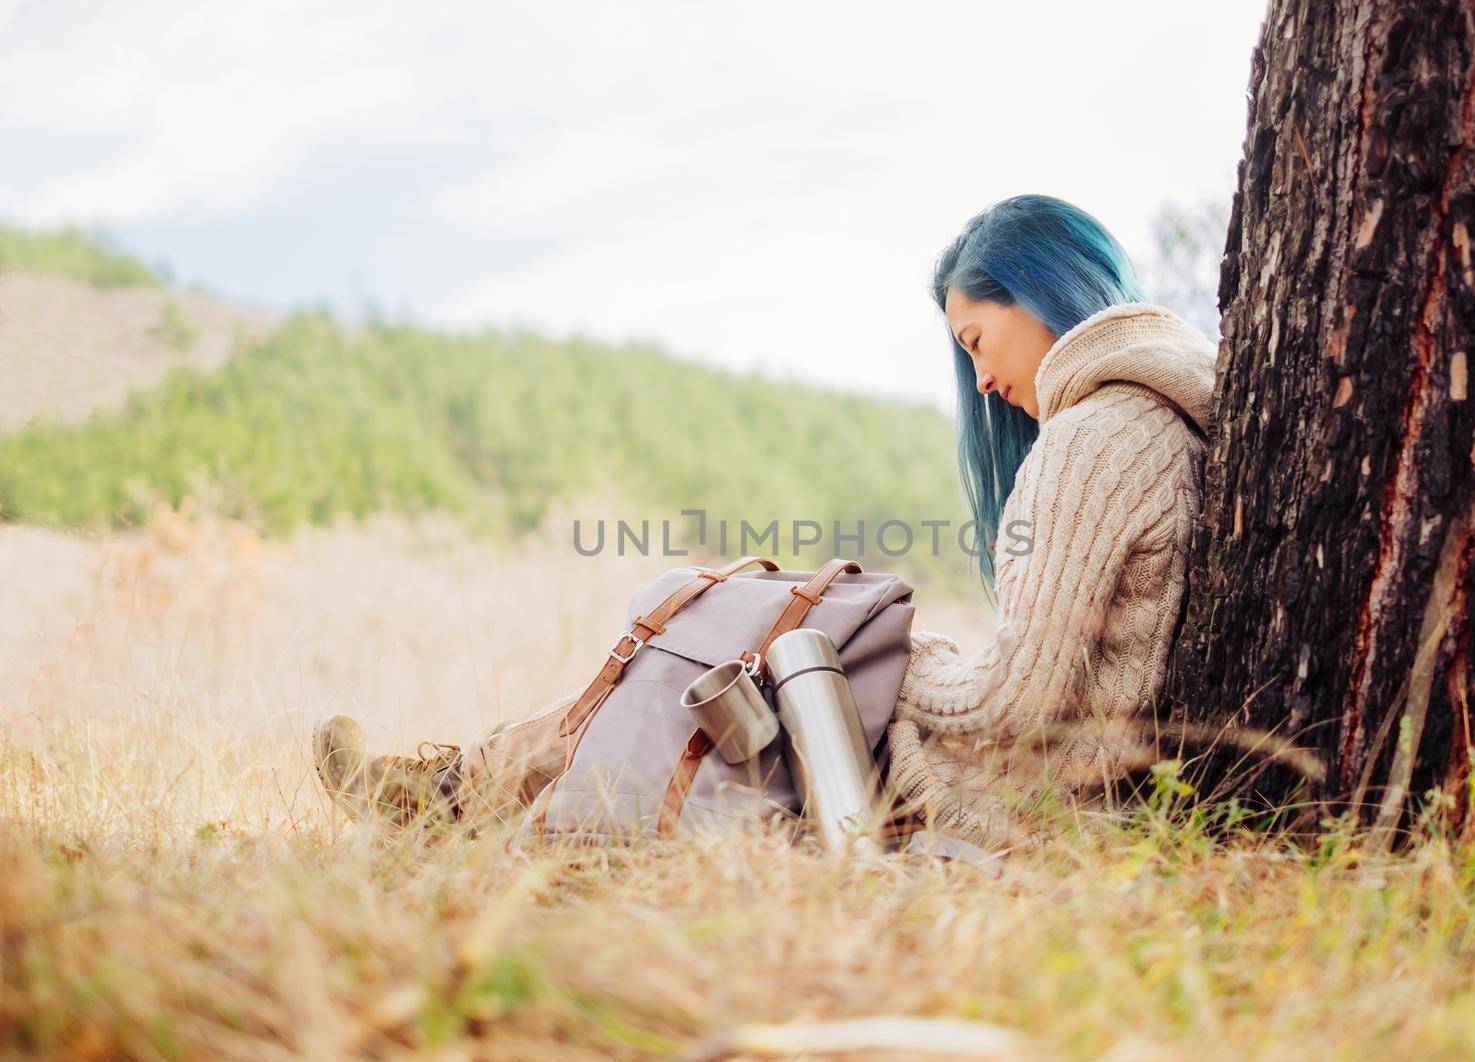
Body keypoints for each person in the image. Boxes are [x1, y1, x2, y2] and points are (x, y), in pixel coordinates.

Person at [313, 193, 1217, 850]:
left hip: (1015, 805)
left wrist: (900, 652)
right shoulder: (1157, 421)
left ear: (1043, 292)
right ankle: (457, 789)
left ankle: (450, 792)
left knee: (745, 634)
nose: (979, 380)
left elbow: (1013, 702)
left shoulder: (1091, 439)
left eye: (976, 340)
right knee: (757, 637)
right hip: (1069, 798)